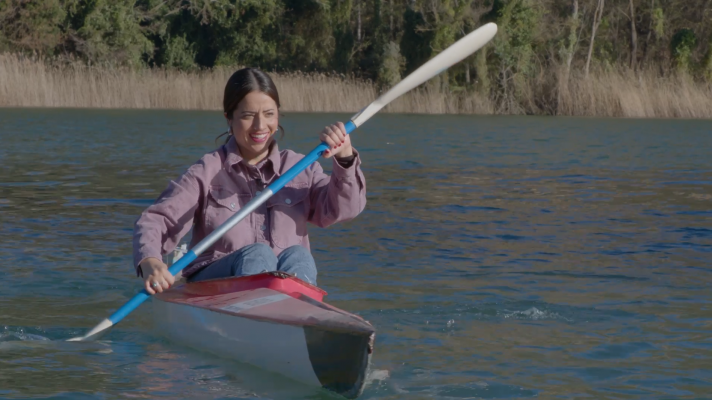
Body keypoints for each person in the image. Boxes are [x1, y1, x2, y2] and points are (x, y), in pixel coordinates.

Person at [132, 68, 366, 294]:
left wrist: (344, 157)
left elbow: (345, 209)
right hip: (214, 285)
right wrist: (150, 261)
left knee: (299, 255)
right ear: (229, 118)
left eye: (268, 114)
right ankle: (263, 318)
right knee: (258, 254)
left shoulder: (300, 168)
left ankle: (300, 316)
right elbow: (157, 220)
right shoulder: (207, 170)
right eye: (247, 115)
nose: (260, 126)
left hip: (282, 291)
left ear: (278, 114)